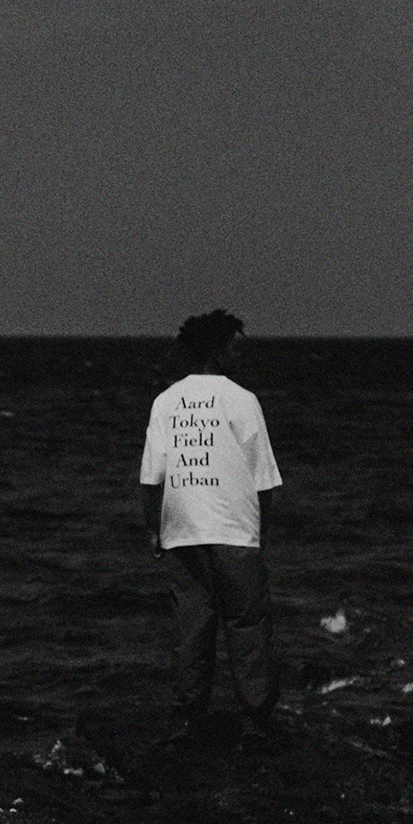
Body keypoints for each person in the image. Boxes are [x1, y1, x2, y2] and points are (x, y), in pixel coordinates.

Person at [137, 310, 283, 743]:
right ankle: (255, 718)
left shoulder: (166, 401)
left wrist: (153, 530)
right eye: (235, 345)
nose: (241, 353)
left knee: (192, 624)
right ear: (218, 351)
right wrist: (262, 533)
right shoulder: (243, 401)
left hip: (182, 529)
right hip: (233, 529)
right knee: (247, 623)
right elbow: (264, 480)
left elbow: (150, 479)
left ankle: (190, 716)